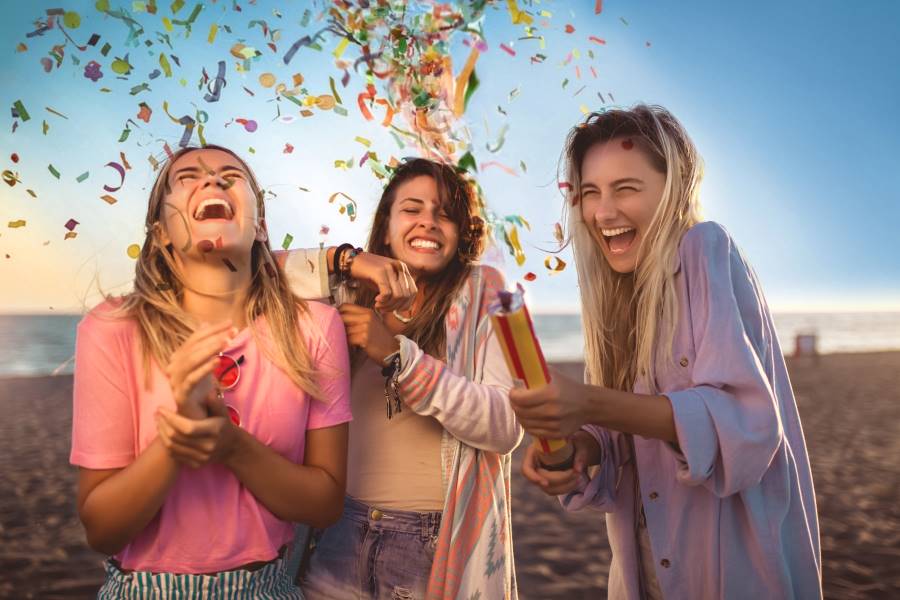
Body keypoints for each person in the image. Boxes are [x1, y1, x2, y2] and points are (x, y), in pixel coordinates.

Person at [509, 105, 822, 599]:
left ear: (673, 188)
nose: (603, 212)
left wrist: (587, 403)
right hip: (646, 571)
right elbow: (628, 438)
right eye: (590, 193)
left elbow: (745, 425)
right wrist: (580, 447)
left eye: (625, 189)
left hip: (728, 569)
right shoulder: (617, 297)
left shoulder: (704, 247)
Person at [70, 145, 351, 598]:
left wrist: (232, 446)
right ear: (161, 233)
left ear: (260, 226)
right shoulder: (113, 328)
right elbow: (102, 530)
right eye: (187, 178)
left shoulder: (315, 327)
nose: (212, 180)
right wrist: (176, 441)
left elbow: (325, 505)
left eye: (231, 175)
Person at [281, 158, 523, 599]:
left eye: (445, 214)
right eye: (412, 209)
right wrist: (347, 260)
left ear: (461, 233)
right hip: (336, 532)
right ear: (386, 226)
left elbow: (505, 426)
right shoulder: (346, 292)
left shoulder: (485, 289)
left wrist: (398, 357)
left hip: (429, 542)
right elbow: (249, 271)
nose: (428, 221)